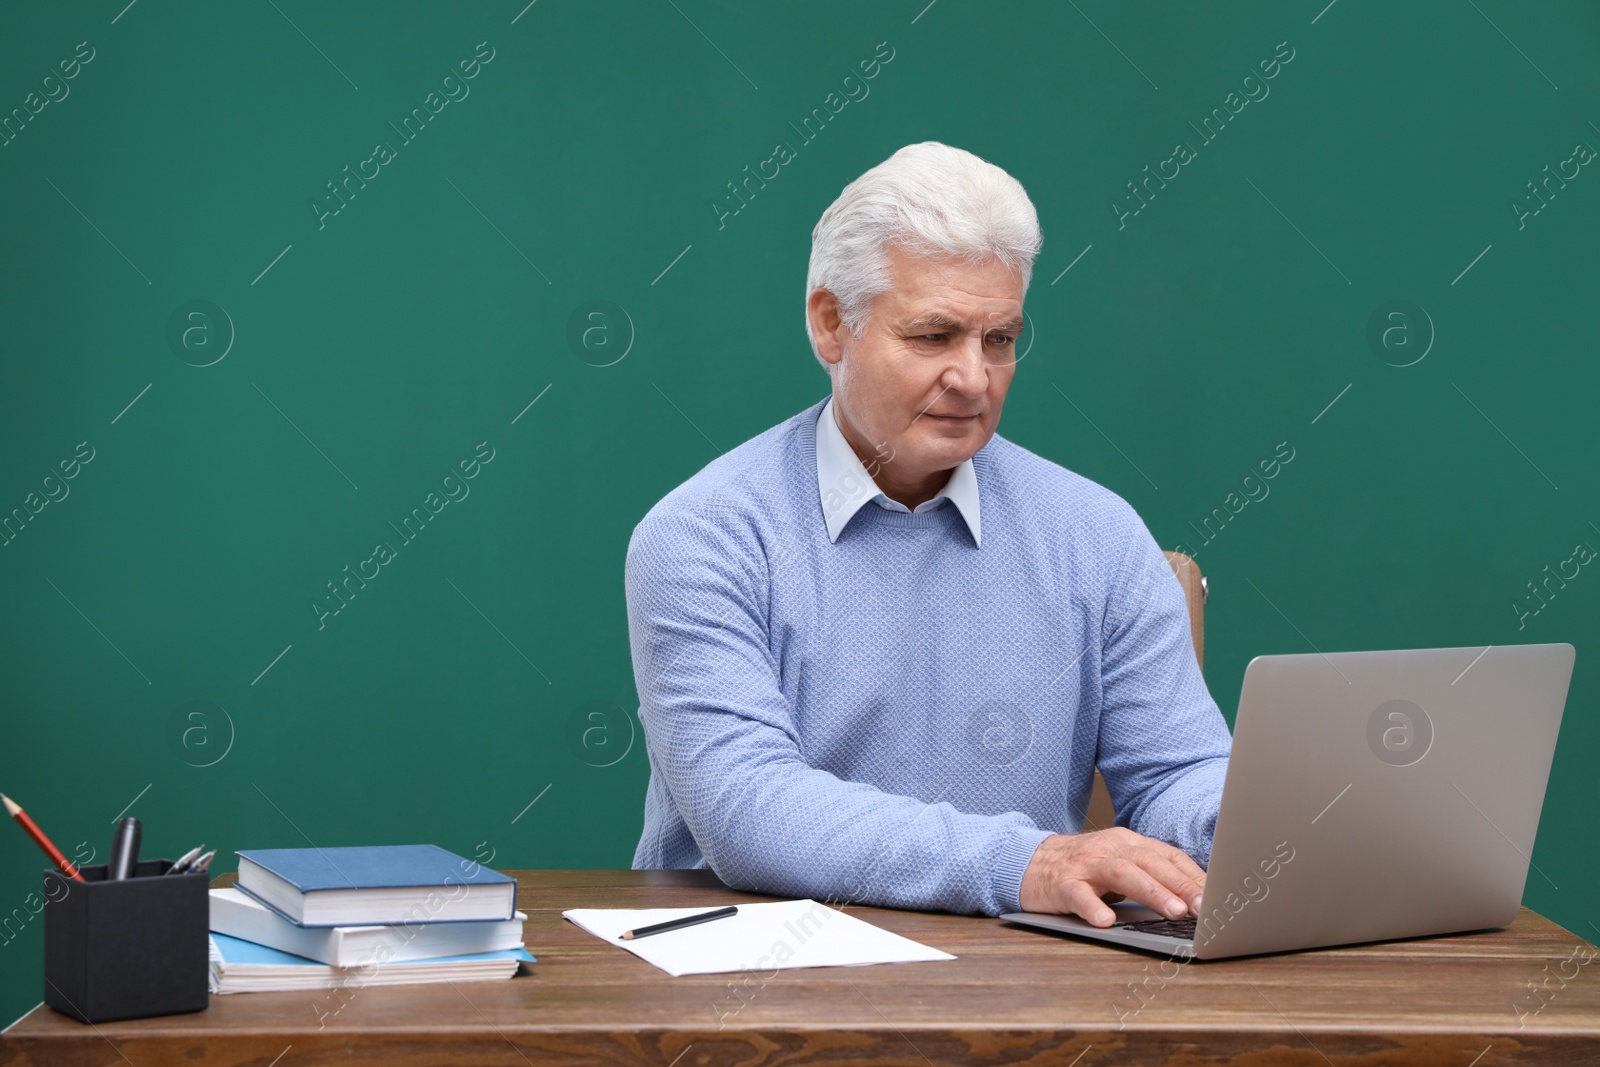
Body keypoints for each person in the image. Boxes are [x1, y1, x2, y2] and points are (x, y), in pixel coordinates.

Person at [625, 141, 1231, 924]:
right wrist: (1028, 862)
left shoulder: (1099, 533)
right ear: (830, 324)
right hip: (747, 995)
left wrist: (1263, 827)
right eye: (934, 335)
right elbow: (751, 809)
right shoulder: (703, 536)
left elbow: (1177, 772)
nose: (974, 378)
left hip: (1014, 985)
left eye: (1000, 339)